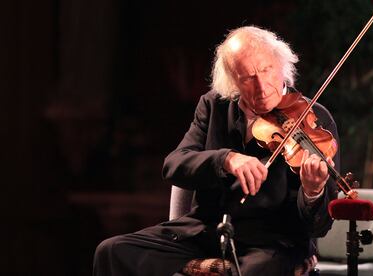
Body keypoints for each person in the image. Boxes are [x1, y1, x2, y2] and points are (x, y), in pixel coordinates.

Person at [93, 25, 339, 276]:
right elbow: (174, 165)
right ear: (232, 81)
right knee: (112, 250)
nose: (262, 87)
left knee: (250, 272)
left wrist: (313, 191)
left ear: (283, 67)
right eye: (247, 77)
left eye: (266, 70)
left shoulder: (315, 120)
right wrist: (225, 159)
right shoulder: (214, 106)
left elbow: (318, 227)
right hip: (204, 231)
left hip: (271, 242)